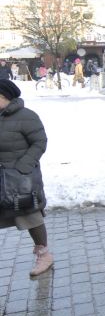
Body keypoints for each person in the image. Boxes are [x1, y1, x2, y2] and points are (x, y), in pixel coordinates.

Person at [0, 80, 53, 277]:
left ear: (6, 97)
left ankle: (44, 254)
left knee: (29, 215)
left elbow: (40, 142)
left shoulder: (26, 116)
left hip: (20, 180)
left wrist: (23, 167)